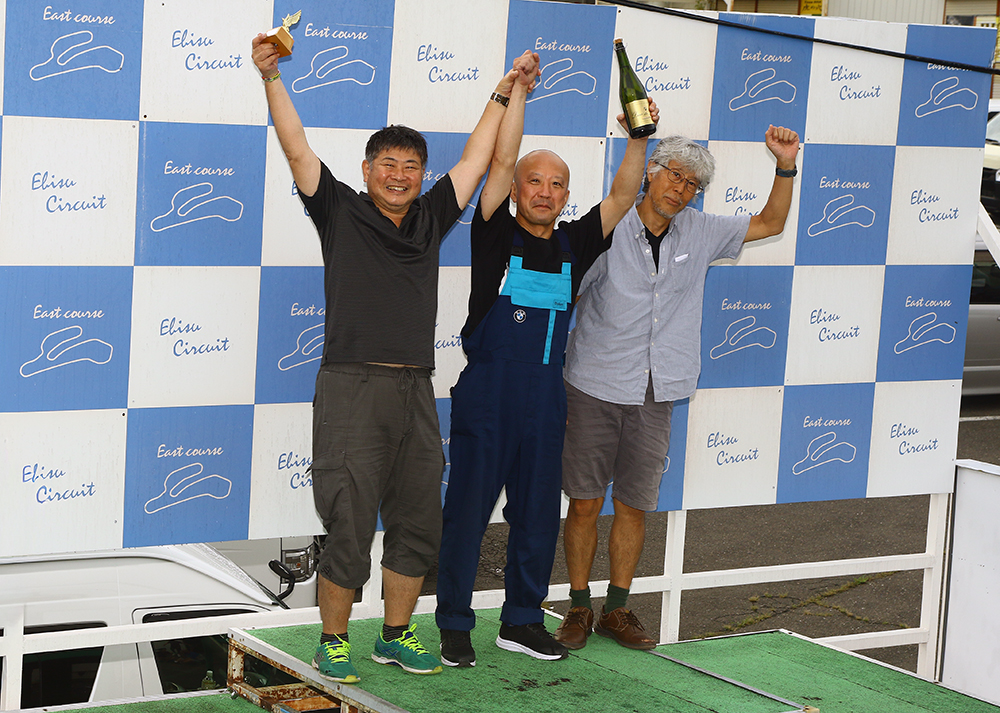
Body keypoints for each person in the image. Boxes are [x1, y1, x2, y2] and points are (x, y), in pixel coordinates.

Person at [251, 34, 541, 684]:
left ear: (421, 174)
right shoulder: (338, 210)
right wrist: (271, 77)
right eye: (388, 163)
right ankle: (332, 640)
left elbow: (477, 157)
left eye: (411, 165)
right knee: (349, 519)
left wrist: (504, 91)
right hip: (351, 388)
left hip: (416, 389)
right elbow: (296, 147)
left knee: (417, 520)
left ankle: (395, 633)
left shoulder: (432, 216)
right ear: (367, 170)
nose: (400, 174)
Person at [433, 59, 660, 666]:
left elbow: (623, 195)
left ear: (565, 196)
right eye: (534, 181)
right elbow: (501, 159)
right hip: (489, 395)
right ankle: (454, 622)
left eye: (557, 184)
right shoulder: (492, 231)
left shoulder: (575, 242)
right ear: (517, 191)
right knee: (467, 515)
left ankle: (522, 621)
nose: (544, 191)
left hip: (546, 399)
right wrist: (517, 94)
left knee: (536, 518)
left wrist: (639, 139)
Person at [554, 126, 800, 651]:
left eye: (692, 184)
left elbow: (772, 222)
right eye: (674, 175)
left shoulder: (702, 230)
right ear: (651, 172)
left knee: (634, 505)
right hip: (594, 384)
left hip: (658, 389)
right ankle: (578, 605)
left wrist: (785, 166)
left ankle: (617, 609)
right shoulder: (608, 226)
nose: (681, 189)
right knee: (584, 503)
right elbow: (565, 298)